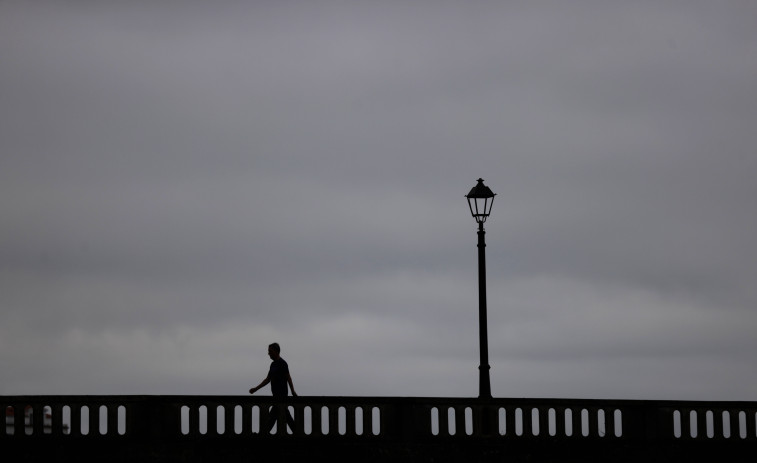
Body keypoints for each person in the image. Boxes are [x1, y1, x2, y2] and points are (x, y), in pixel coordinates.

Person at [249, 342, 297, 433]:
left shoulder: (283, 364)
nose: (268, 353)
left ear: (276, 351)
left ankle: (263, 433)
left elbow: (288, 377)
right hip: (275, 396)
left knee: (274, 416)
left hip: (282, 396)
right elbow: (267, 379)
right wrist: (255, 389)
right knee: (283, 416)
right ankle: (297, 432)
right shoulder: (273, 365)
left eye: (270, 351)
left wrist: (293, 391)